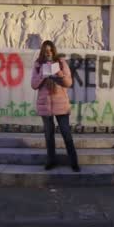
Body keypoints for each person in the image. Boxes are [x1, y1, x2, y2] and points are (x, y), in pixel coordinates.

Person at [31, 40, 80, 172]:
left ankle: (74, 162)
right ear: (43, 51)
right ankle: (51, 161)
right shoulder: (38, 64)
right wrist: (43, 74)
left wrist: (58, 73)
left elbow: (69, 82)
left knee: (66, 133)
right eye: (45, 50)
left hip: (60, 104)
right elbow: (34, 85)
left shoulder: (61, 62)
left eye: (50, 50)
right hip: (45, 105)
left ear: (53, 50)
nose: (48, 53)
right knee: (49, 135)